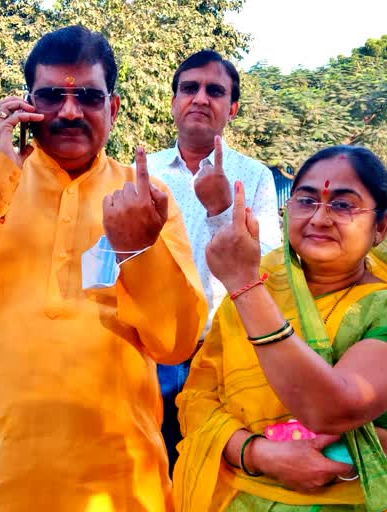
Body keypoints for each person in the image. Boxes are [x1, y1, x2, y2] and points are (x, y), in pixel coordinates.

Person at [0, 25, 207, 512]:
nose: (70, 111)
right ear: (26, 103)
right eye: (52, 95)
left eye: (89, 98)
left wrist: (138, 248)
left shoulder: (144, 200)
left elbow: (176, 343)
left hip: (117, 482)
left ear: (114, 108)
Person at [173, 145, 387, 511]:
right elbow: (196, 399)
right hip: (234, 498)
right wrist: (257, 453)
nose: (320, 218)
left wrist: (244, 285)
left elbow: (334, 408)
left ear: (380, 227)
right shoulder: (263, 286)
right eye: (306, 201)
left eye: (343, 204)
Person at [145, 50, 281, 472]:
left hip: (223, 351)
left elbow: (268, 268)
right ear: (173, 102)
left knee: (214, 467)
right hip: (152, 351)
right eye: (189, 88)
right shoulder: (142, 173)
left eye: (215, 91)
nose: (200, 98)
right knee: (156, 464)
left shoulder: (254, 177)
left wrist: (222, 209)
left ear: (232, 108)